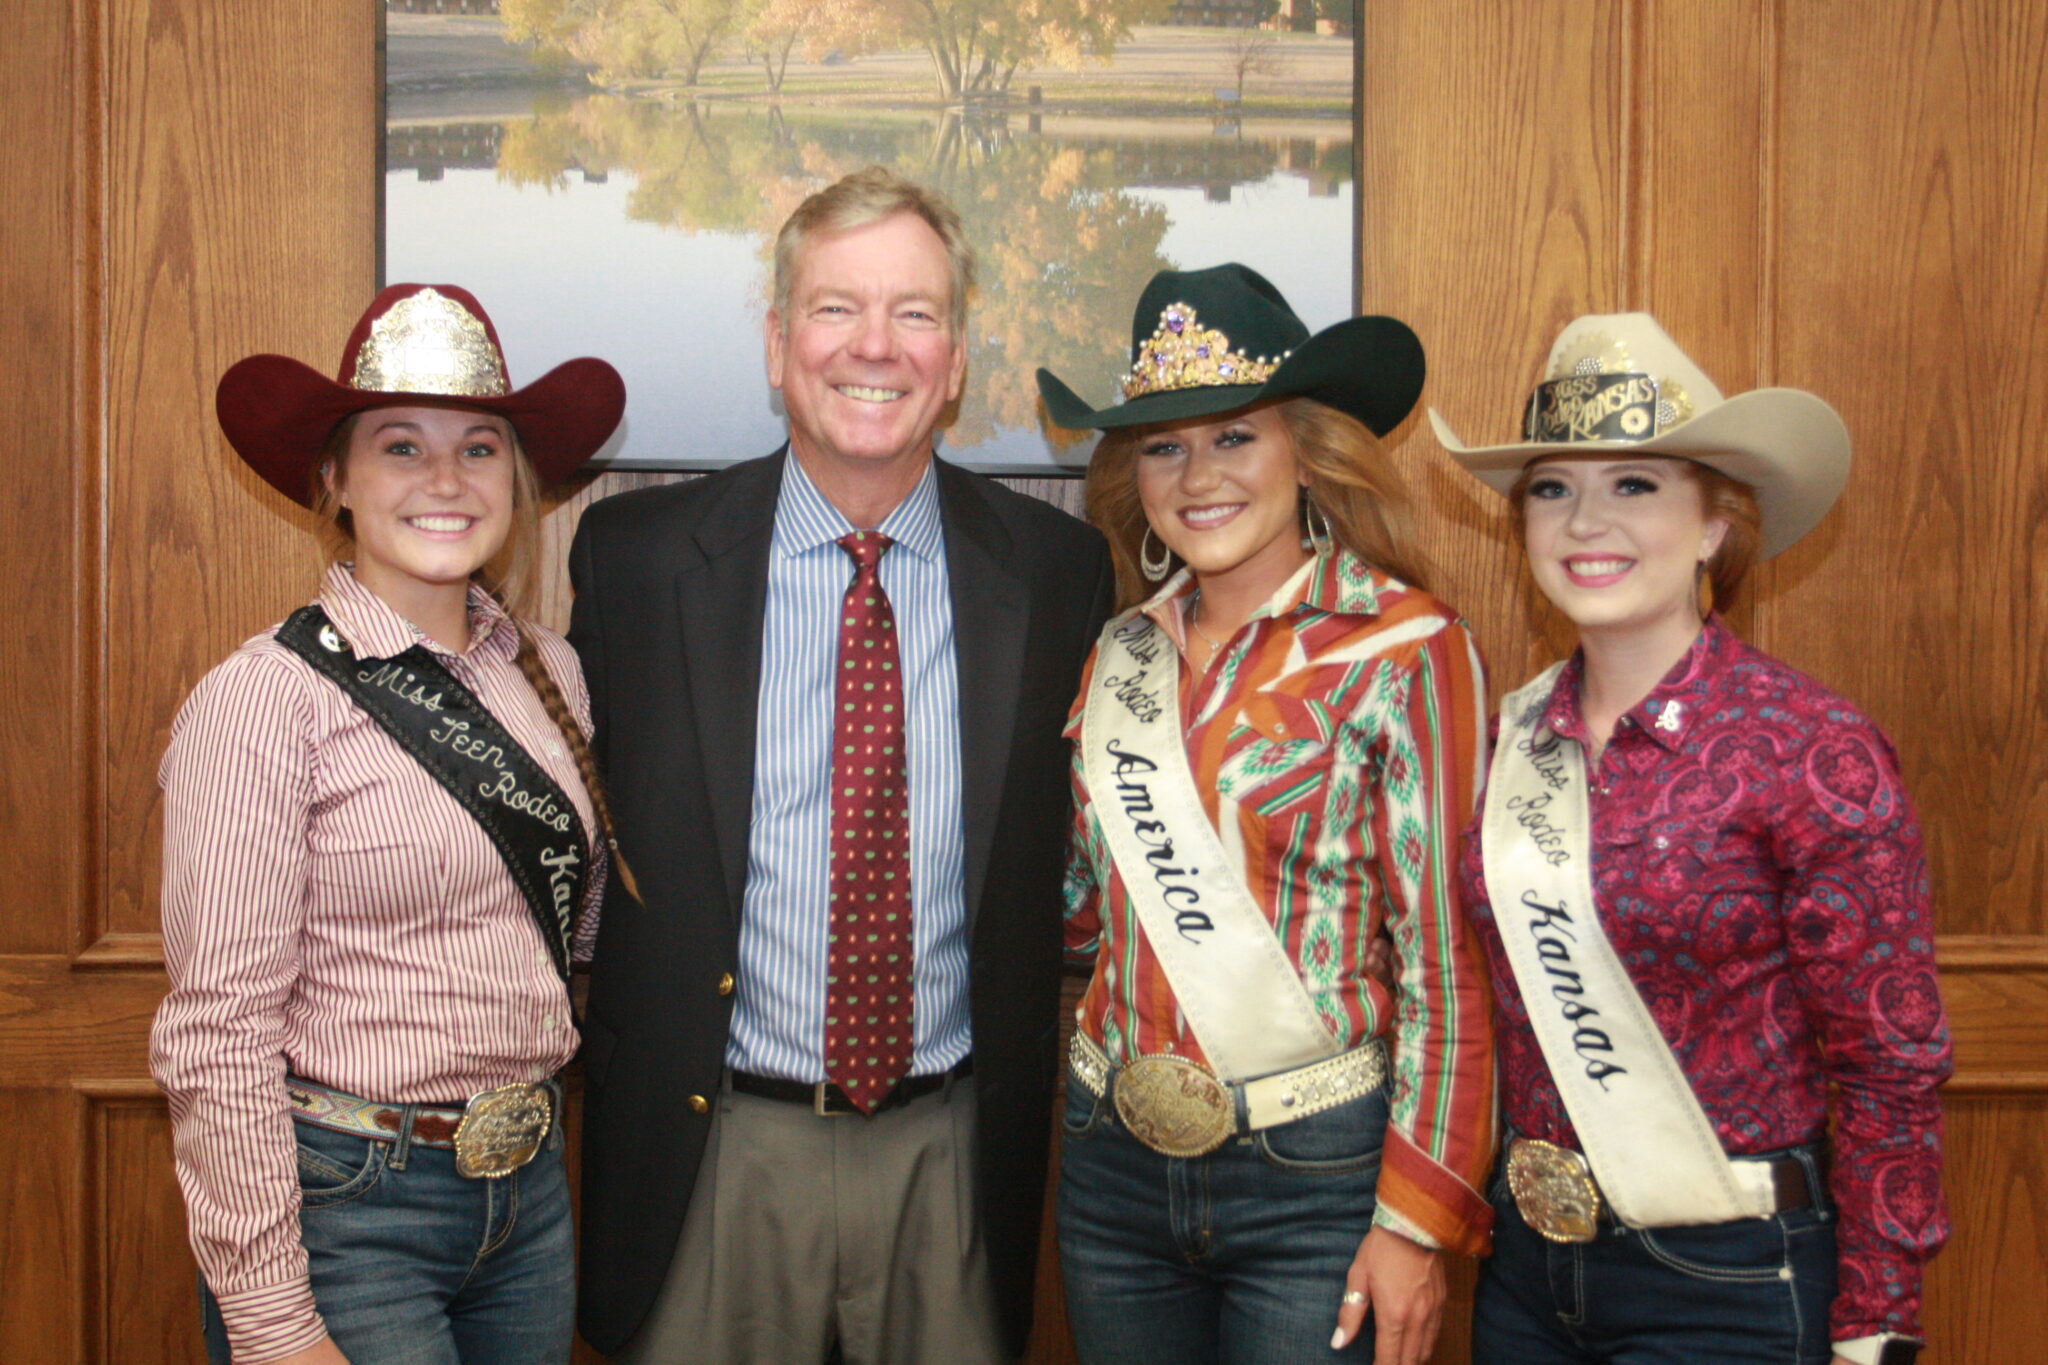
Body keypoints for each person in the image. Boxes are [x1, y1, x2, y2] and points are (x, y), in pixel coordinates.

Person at [567, 165, 1116, 1364]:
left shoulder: (1057, 573)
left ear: (957, 358)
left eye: (915, 312)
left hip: (953, 1150)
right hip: (711, 1151)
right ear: (776, 344)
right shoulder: (635, 561)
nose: (876, 346)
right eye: (835, 308)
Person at [1431, 313, 1952, 1365]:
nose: (1586, 521)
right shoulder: (1507, 738)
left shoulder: (1811, 748)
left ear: (1715, 523)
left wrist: (1876, 1324)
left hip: (1728, 1281)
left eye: (1633, 485)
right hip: (1528, 1272)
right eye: (1551, 488)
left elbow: (1888, 1061)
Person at [150, 282, 628, 1365]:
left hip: (529, 1201)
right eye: (401, 447)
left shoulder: (548, 672)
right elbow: (217, 1033)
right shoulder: (265, 698)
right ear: (336, 480)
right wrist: (271, 1322)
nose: (447, 481)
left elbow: (572, 932)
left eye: (479, 448)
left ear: (517, 478)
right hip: (349, 1207)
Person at [1035, 264, 1498, 1365]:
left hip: (1315, 1176)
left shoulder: (1403, 648)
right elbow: (1080, 916)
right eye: (1162, 445)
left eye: (1233, 437)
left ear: (1307, 450)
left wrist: (1413, 1220)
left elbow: (1447, 963)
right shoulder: (1117, 653)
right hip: (1109, 1159)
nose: (1196, 475)